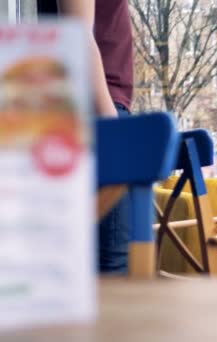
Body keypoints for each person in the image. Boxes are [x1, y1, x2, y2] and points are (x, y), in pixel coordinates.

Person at [52, 0, 134, 273]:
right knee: (111, 259)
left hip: (97, 109)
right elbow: (78, 34)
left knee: (109, 255)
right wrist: (112, 125)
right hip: (98, 111)